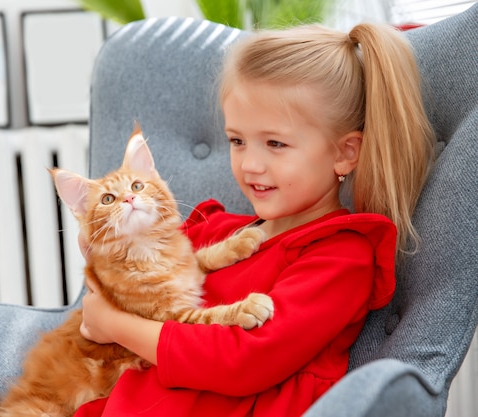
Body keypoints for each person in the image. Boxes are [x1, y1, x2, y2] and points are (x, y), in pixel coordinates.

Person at [76, 22, 435, 417]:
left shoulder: (340, 258)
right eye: (237, 140)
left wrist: (112, 324)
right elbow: (135, 270)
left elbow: (241, 362)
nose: (250, 164)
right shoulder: (214, 231)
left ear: (345, 154)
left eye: (275, 143)